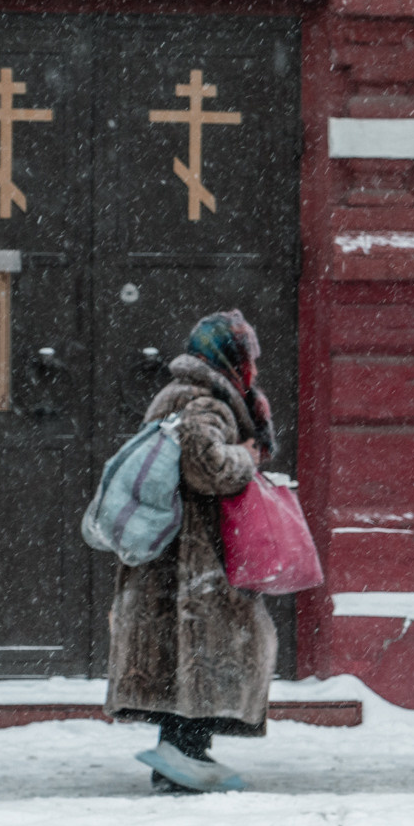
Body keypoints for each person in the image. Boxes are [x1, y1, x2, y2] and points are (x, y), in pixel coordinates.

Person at [106, 309, 277, 793]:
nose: (253, 368)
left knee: (184, 655)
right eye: (248, 358)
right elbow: (206, 467)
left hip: (177, 555)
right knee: (204, 650)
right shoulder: (204, 401)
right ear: (228, 358)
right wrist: (247, 456)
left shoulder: (184, 395)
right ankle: (183, 754)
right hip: (193, 557)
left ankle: (183, 752)